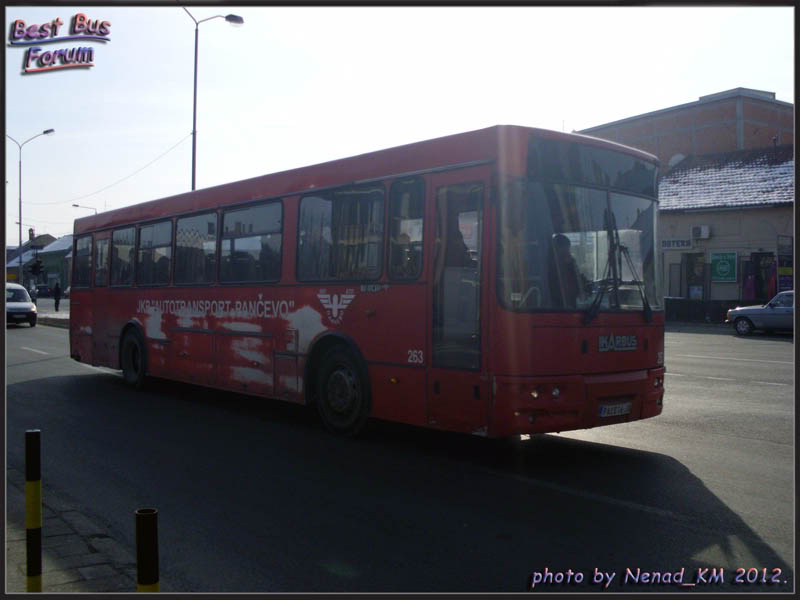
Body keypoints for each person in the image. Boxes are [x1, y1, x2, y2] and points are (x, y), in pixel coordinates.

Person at [548, 233, 587, 309]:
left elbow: (577, 281)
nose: (568, 251)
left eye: (568, 248)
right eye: (565, 248)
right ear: (557, 248)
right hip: (558, 307)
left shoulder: (570, 262)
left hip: (570, 304)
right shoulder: (551, 266)